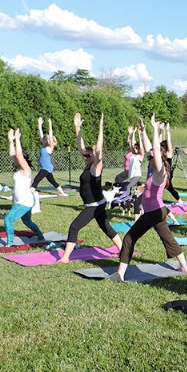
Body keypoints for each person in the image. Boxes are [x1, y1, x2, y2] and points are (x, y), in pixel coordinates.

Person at [113, 115, 187, 282]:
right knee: (168, 239)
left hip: (154, 212)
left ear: (158, 159)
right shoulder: (155, 170)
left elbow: (154, 148)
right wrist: (142, 132)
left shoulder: (161, 173)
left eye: (151, 158)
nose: (148, 159)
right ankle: (184, 266)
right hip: (158, 211)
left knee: (128, 238)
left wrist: (155, 130)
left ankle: (120, 273)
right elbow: (150, 149)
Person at [56, 113, 122, 264]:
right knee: (106, 227)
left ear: (95, 156)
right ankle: (123, 248)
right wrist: (77, 128)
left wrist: (100, 127)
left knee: (74, 227)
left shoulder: (96, 167)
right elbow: (81, 146)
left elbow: (99, 148)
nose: (85, 156)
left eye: (88, 154)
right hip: (97, 203)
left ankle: (65, 258)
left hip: (94, 205)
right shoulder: (88, 163)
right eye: (85, 154)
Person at [4, 128, 45, 246]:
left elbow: (18, 154)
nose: (16, 160)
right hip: (25, 200)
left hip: (25, 201)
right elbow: (13, 155)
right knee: (27, 221)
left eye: (19, 159)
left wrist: (17, 139)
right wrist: (10, 141)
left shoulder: (26, 169)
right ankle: (40, 236)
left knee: (8, 219)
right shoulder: (19, 168)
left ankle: (9, 243)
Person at [31, 117, 67, 197]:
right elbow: (41, 136)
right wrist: (40, 125)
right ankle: (62, 193)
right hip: (46, 168)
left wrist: (50, 124)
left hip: (46, 168)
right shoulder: (44, 146)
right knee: (52, 181)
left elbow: (50, 136)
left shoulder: (50, 147)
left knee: (36, 179)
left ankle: (31, 191)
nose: (44, 140)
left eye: (46, 139)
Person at [160, 123, 183, 205]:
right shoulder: (161, 153)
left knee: (166, 187)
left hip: (167, 173)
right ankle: (179, 200)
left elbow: (169, 142)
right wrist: (160, 130)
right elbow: (159, 141)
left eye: (163, 146)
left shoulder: (169, 153)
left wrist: (167, 131)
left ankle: (157, 201)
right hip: (162, 173)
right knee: (169, 187)